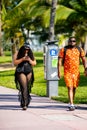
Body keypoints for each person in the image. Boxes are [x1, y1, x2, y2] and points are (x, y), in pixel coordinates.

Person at [58, 36, 87, 111]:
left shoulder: (79, 49)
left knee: (74, 88)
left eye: (73, 41)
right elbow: (60, 61)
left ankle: (71, 102)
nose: (72, 42)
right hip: (67, 71)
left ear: (75, 42)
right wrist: (58, 71)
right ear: (68, 42)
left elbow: (84, 59)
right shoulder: (63, 49)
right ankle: (71, 104)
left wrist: (86, 69)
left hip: (76, 72)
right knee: (70, 87)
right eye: (71, 41)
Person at [14, 42, 36, 110]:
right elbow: (15, 62)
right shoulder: (18, 53)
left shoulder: (30, 54)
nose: (26, 50)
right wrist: (22, 59)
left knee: (27, 87)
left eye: (28, 49)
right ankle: (24, 104)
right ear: (22, 48)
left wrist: (29, 60)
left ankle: (26, 101)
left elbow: (34, 63)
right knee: (24, 87)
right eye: (25, 49)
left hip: (29, 71)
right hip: (20, 71)